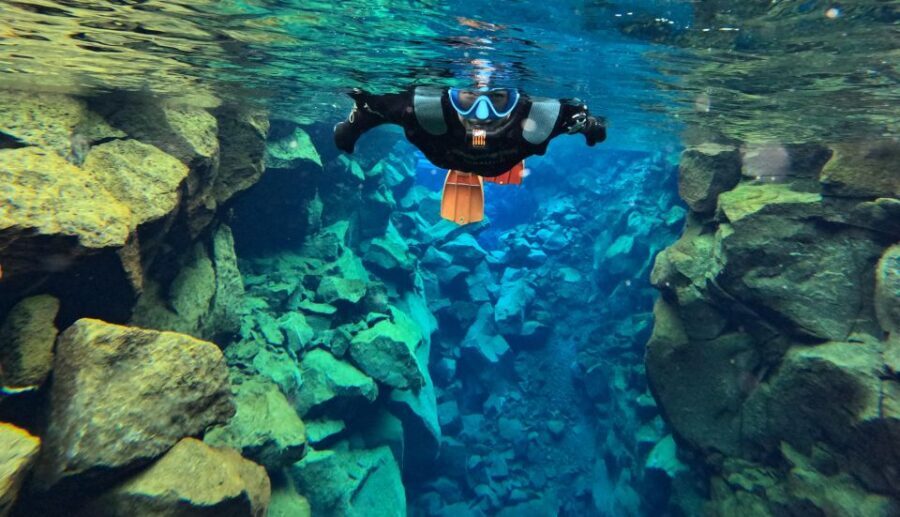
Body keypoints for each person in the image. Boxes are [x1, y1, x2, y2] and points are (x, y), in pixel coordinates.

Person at [334, 86, 606, 224]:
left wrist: (592, 128)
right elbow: (374, 109)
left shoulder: (541, 116)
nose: (483, 113)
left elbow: (587, 124)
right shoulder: (426, 108)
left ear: (518, 100)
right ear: (450, 94)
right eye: (468, 98)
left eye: (499, 98)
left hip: (450, 155)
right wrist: (352, 129)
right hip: (464, 157)